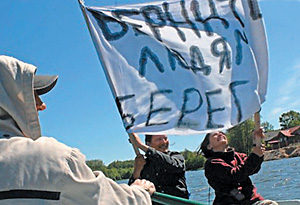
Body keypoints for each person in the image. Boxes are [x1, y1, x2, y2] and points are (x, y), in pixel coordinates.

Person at [0, 55, 155, 204]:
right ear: (8, 101)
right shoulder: (53, 160)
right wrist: (140, 192)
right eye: (32, 95)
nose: (42, 104)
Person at [200, 130, 278, 205]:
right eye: (215, 135)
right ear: (209, 146)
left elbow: (253, 169)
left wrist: (256, 144)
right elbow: (234, 176)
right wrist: (255, 155)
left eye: (221, 133)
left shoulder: (238, 156)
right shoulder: (212, 164)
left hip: (250, 200)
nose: (220, 134)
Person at [128, 133, 189, 204]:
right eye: (158, 139)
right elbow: (132, 191)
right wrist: (137, 170)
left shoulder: (176, 157)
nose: (164, 142)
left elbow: (173, 165)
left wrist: (140, 145)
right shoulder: (144, 164)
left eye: (165, 138)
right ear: (149, 144)